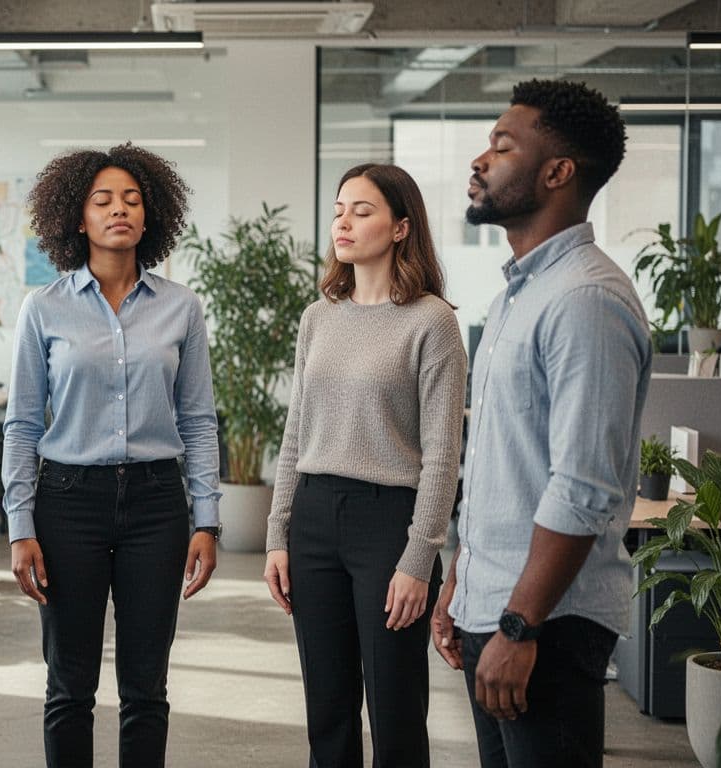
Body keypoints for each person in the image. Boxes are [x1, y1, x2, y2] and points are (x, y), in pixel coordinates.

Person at [430, 79, 651, 768]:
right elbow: (504, 466)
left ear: (558, 172)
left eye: (502, 145)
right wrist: (460, 578)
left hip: (545, 623)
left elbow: (582, 486)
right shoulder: (515, 297)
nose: (480, 159)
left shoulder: (587, 300)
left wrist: (519, 625)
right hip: (493, 605)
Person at [3, 143, 221, 768]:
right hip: (67, 503)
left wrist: (205, 519)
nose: (118, 210)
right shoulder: (43, 309)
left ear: (150, 218)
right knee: (69, 686)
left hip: (157, 503)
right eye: (102, 200)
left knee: (146, 689)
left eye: (131, 199)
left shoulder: (182, 308)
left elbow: (199, 420)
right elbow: (22, 425)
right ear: (78, 217)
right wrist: (21, 529)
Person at [262, 163, 466, 768]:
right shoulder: (318, 317)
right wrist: (278, 533)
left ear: (401, 227)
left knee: (396, 710)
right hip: (315, 519)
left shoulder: (433, 322)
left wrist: (418, 558)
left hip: (390, 524)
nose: (343, 223)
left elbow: (443, 456)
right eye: (338, 210)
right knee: (327, 710)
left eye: (363, 210)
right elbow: (296, 431)